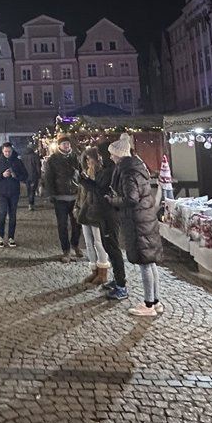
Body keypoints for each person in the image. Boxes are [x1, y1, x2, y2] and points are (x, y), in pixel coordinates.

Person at [107, 134, 165, 317]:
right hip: (145, 219)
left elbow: (131, 198)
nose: (110, 157)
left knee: (145, 263)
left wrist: (113, 200)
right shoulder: (137, 168)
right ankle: (156, 301)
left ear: (119, 154)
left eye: (112, 154)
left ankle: (148, 305)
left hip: (138, 222)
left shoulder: (128, 172)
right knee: (150, 263)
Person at [74, 146, 114, 287]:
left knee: (99, 242)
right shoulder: (85, 172)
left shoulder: (102, 174)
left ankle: (103, 272)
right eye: (86, 159)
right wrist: (77, 207)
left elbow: (98, 190)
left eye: (90, 159)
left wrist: (85, 181)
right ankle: (94, 270)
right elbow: (81, 193)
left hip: (97, 212)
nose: (88, 162)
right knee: (89, 242)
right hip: (85, 210)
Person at [42, 135, 83, 261]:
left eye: (68, 144)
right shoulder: (53, 159)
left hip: (75, 195)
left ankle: (75, 245)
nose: (67, 146)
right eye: (64, 144)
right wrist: (51, 194)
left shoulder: (75, 157)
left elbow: (81, 173)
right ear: (59, 145)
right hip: (60, 197)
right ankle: (66, 250)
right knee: (62, 225)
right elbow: (48, 178)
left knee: (77, 223)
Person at [0, 141, 28, 247]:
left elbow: (25, 175)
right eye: (5, 151)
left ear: (12, 150)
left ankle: (11, 237)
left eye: (9, 151)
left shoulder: (17, 161)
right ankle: (0, 236)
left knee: (13, 215)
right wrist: (1, 175)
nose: (7, 153)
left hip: (14, 192)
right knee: (2, 213)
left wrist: (16, 176)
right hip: (2, 192)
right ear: (2, 151)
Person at [23, 142, 43, 210]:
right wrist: (39, 176)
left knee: (29, 190)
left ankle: (30, 202)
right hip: (33, 176)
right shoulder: (35, 156)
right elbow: (38, 167)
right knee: (32, 190)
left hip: (26, 176)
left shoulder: (23, 156)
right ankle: (31, 204)